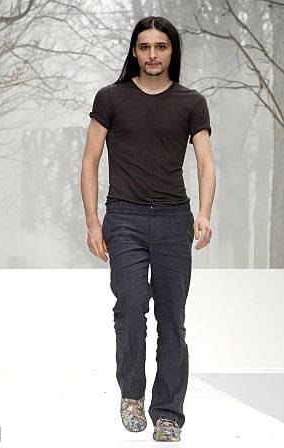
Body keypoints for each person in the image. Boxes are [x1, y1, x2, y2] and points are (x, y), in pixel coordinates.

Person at [80, 16, 216, 442]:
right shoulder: (111, 98)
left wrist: (205, 212)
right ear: (134, 51)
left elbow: (206, 163)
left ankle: (169, 413)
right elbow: (89, 162)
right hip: (124, 218)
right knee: (131, 308)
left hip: (175, 220)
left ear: (172, 51)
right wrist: (92, 222)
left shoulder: (191, 102)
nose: (152, 55)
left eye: (160, 47)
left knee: (173, 320)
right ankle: (132, 394)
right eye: (144, 47)